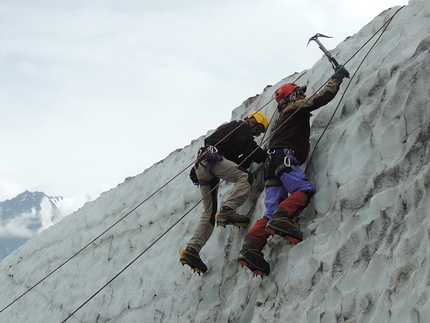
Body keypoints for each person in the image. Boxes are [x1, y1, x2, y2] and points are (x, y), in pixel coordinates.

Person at [238, 65, 350, 276]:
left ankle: (251, 247)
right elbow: (319, 99)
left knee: (270, 211)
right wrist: (336, 78)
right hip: (285, 156)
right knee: (303, 189)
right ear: (291, 97)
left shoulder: (282, 119)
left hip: (272, 163)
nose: (302, 95)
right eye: (299, 92)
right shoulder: (294, 107)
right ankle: (282, 218)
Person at [180, 111, 269, 274]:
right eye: (259, 129)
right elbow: (248, 146)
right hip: (212, 161)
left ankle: (192, 249)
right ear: (252, 121)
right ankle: (228, 209)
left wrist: (250, 159)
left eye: (261, 132)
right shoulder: (241, 126)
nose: (258, 134)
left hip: (203, 167)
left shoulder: (231, 132)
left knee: (209, 212)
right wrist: (264, 156)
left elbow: (238, 160)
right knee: (245, 177)